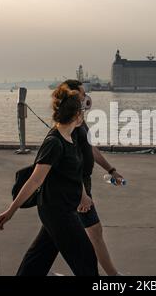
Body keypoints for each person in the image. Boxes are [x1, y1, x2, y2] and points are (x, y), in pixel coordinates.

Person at [0, 84, 99, 276]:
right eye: (82, 111)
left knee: (39, 258)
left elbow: (75, 173)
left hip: (64, 207)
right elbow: (35, 181)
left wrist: (83, 195)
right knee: (86, 261)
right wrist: (12, 210)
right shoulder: (54, 143)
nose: (84, 115)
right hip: (57, 211)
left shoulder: (71, 136)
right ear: (76, 115)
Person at [53, 79, 124, 276]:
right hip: (76, 186)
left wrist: (111, 170)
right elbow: (72, 163)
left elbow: (90, 149)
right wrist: (82, 193)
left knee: (53, 236)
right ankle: (112, 275)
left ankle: (34, 269)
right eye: (82, 94)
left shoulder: (79, 122)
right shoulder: (71, 126)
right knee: (94, 231)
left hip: (79, 185)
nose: (86, 97)